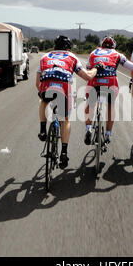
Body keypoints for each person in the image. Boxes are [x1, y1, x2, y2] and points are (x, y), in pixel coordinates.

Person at [36, 35, 103, 169]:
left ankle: (43, 130)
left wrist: (42, 92)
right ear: (68, 47)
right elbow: (87, 76)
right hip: (63, 89)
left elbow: (37, 83)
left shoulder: (45, 57)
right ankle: (64, 153)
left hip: (47, 86)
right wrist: (96, 68)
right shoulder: (71, 57)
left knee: (42, 99)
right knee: (65, 119)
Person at [84, 36, 133, 145]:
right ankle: (108, 134)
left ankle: (88, 128)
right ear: (114, 46)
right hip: (110, 82)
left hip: (94, 83)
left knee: (90, 103)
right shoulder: (117, 54)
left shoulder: (93, 52)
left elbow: (88, 68)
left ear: (102, 45)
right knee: (111, 106)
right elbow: (132, 66)